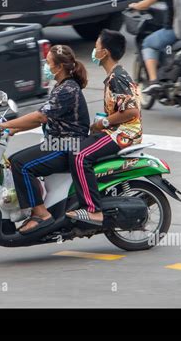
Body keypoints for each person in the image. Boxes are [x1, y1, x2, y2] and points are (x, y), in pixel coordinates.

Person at [0, 45, 90, 234]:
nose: (45, 65)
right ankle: (34, 206)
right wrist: (14, 129)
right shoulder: (61, 86)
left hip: (68, 146)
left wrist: (6, 125)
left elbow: (40, 117)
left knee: (21, 164)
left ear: (59, 67)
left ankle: (41, 214)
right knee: (15, 160)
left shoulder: (67, 90)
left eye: (48, 62)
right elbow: (43, 117)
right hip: (58, 143)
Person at [66, 29, 143, 225]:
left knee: (80, 156)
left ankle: (94, 210)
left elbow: (131, 111)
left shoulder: (117, 77)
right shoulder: (114, 76)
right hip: (116, 131)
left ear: (105, 52)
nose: (94, 51)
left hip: (124, 134)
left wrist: (102, 123)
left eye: (97, 47)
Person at [129, 0, 177, 94]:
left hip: (175, 31)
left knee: (148, 43)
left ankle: (153, 80)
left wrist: (134, 6)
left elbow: (146, 4)